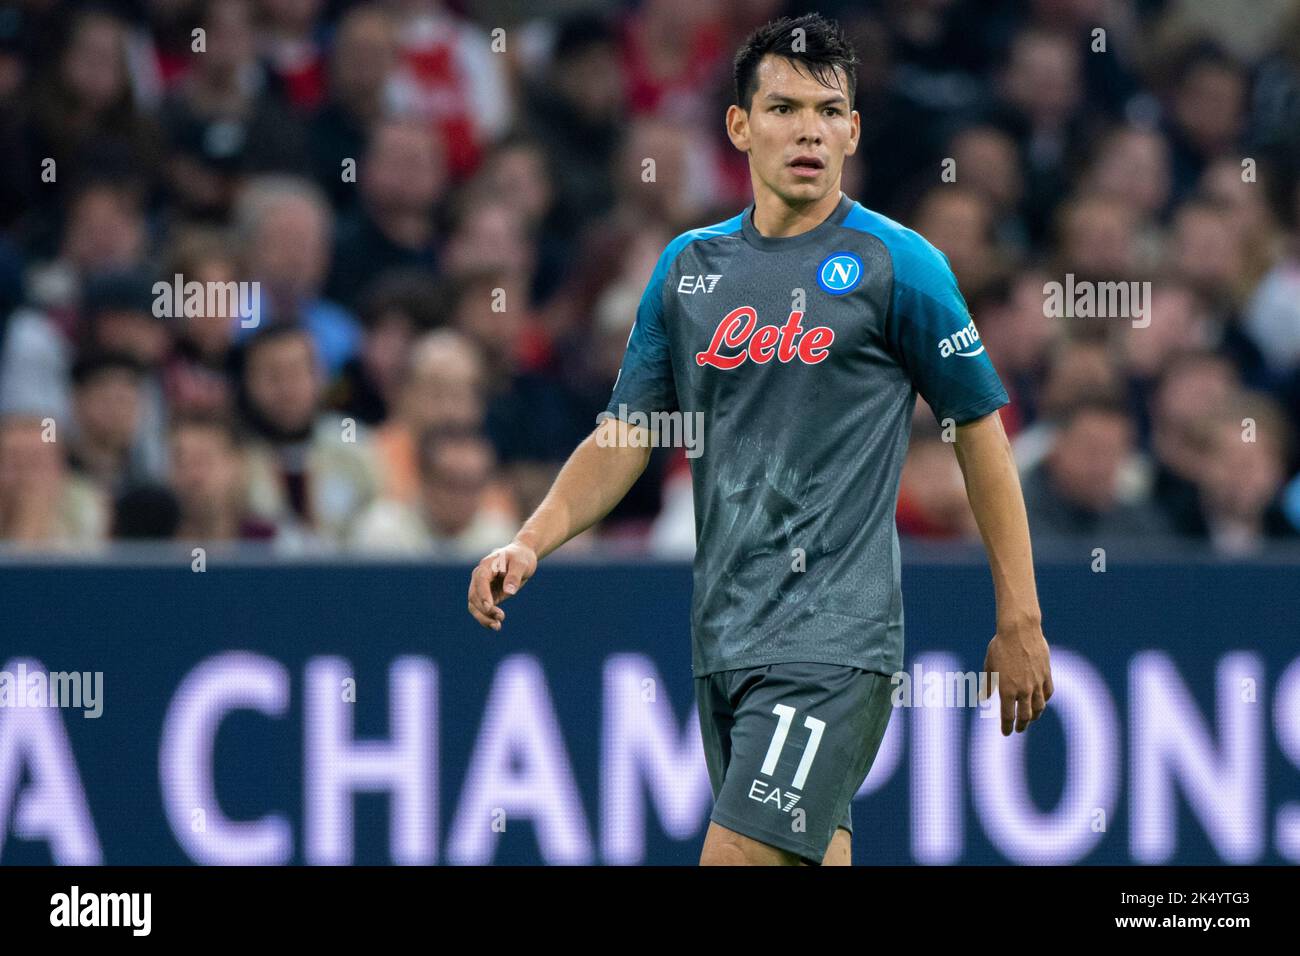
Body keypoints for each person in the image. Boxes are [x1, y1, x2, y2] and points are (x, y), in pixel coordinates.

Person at [466, 14, 1052, 867]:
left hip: (833, 640)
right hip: (726, 639)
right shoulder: (688, 269)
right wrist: (531, 539)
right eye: (783, 108)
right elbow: (627, 433)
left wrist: (1020, 616)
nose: (808, 130)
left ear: (853, 130)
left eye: (828, 110)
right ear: (740, 126)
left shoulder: (901, 265)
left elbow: (980, 434)